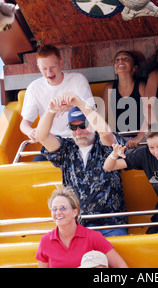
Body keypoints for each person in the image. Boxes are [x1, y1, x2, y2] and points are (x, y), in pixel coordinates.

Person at [36, 92, 128, 237]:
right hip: (78, 228)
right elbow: (42, 136)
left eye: (83, 125)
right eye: (73, 127)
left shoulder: (104, 144)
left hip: (111, 225)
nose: (78, 131)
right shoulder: (67, 150)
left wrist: (79, 103)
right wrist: (51, 110)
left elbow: (106, 133)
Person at [36, 186, 128, 268]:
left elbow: (121, 266)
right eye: (54, 209)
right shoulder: (45, 241)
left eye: (63, 208)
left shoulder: (93, 237)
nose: (58, 212)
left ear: (75, 212)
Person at [20, 44, 94, 143]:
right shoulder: (34, 88)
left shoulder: (78, 79)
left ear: (60, 62)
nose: (49, 72)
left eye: (53, 67)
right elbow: (24, 123)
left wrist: (72, 106)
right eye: (44, 69)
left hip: (80, 138)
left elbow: (92, 112)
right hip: (52, 142)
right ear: (38, 67)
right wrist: (30, 131)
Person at [102, 50, 147, 148]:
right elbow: (101, 118)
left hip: (141, 138)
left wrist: (138, 138)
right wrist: (110, 139)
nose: (120, 61)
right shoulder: (109, 88)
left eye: (126, 58)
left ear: (135, 68)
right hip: (117, 140)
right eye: (117, 60)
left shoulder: (141, 86)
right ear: (115, 69)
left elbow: (150, 116)